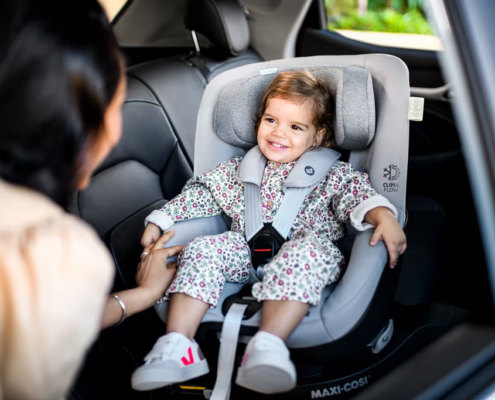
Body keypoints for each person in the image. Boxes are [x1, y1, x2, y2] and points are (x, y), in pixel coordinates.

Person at [132, 71, 407, 394]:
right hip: (243, 251)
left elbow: (358, 196)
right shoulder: (239, 170)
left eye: (295, 127)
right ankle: (179, 344)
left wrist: (383, 215)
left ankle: (267, 345)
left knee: (307, 251)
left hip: (305, 253)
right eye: (270, 120)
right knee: (203, 247)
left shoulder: (333, 174)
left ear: (318, 136)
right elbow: (201, 194)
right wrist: (162, 219)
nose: (278, 133)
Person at [0, 1, 182, 399]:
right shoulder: (49, 250)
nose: (116, 134)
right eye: (116, 107)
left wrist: (142, 296)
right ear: (70, 123)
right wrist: (145, 295)